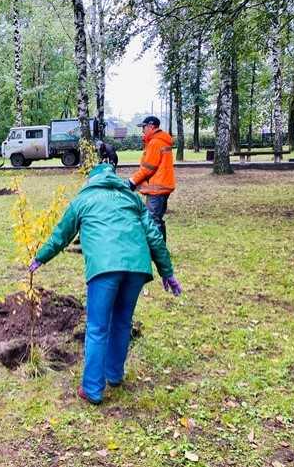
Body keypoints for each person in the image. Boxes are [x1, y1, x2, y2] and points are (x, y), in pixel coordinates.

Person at [28, 161, 182, 405]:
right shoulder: (131, 199)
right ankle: (114, 375)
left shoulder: (83, 200)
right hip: (136, 268)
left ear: (91, 179)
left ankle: (92, 389)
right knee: (121, 322)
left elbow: (61, 235)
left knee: (98, 327)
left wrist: (40, 258)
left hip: (104, 268)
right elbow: (153, 235)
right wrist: (167, 272)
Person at [126, 116, 175, 242]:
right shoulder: (162, 140)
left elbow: (148, 168)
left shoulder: (155, 142)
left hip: (157, 188)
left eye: (144, 127)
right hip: (163, 185)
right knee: (157, 218)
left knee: (152, 219)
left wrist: (132, 181)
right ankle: (161, 248)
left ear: (151, 126)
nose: (143, 130)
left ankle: (159, 251)